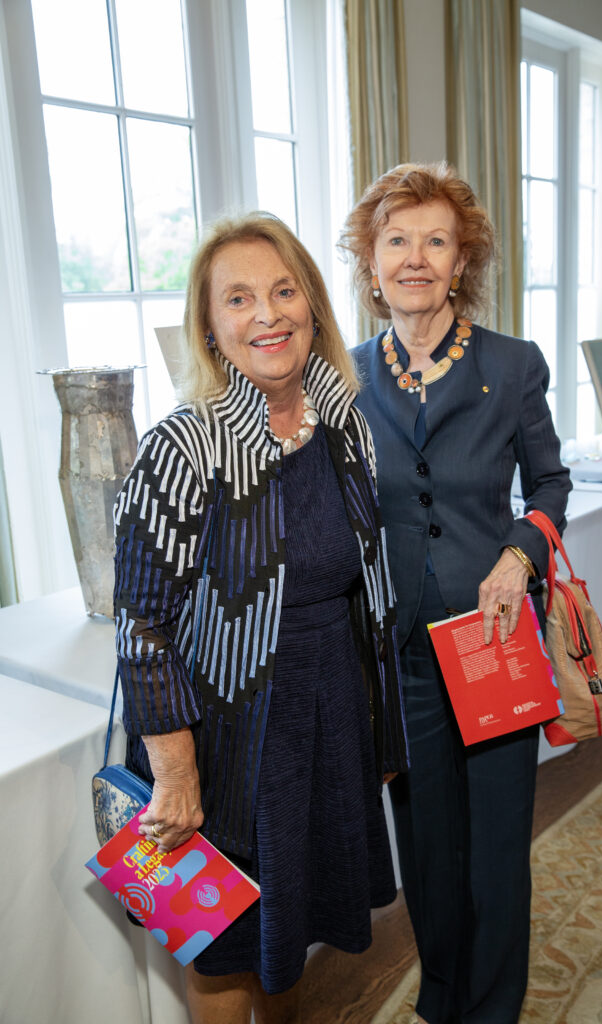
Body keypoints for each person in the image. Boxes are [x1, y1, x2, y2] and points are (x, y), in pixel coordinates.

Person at [113, 212, 409, 1024]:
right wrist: (176, 774)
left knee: (295, 930)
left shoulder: (345, 424)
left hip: (327, 713)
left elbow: (364, 585)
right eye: (238, 299)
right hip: (228, 734)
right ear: (209, 328)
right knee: (225, 942)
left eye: (284, 291)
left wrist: (375, 728)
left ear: (314, 306)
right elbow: (141, 624)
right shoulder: (185, 445)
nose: (267, 314)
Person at [339, 162, 571, 1024]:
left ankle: (493, 1007)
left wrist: (518, 555)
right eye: (395, 240)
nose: (414, 258)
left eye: (435, 240)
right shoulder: (345, 376)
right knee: (427, 846)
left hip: (493, 634)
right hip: (397, 650)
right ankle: (441, 1001)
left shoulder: (513, 366)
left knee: (496, 845)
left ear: (459, 260)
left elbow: (550, 483)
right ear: (370, 263)